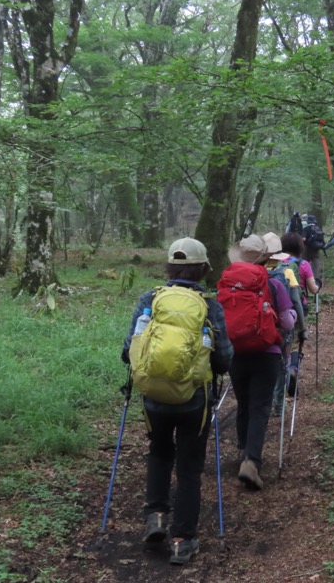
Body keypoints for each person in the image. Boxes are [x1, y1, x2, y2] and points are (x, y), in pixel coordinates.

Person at [120, 237, 233, 566]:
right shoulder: (210, 306)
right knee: (189, 468)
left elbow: (129, 349)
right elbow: (224, 360)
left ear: (170, 267)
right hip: (193, 400)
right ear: (201, 270)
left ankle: (155, 516)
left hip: (153, 396)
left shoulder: (149, 298)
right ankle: (183, 539)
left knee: (158, 452)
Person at [224, 235, 295, 490]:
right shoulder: (274, 283)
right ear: (266, 258)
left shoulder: (229, 283)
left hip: (236, 353)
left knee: (243, 402)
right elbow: (287, 322)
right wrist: (294, 316)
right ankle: (251, 462)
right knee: (260, 407)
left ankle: (243, 449)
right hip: (267, 351)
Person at [271, 232, 321, 415]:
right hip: (296, 310)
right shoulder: (302, 264)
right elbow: (312, 288)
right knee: (294, 344)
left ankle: (276, 388)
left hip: (274, 312)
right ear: (300, 247)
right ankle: (292, 369)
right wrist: (318, 286)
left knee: (277, 347)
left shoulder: (274, 265)